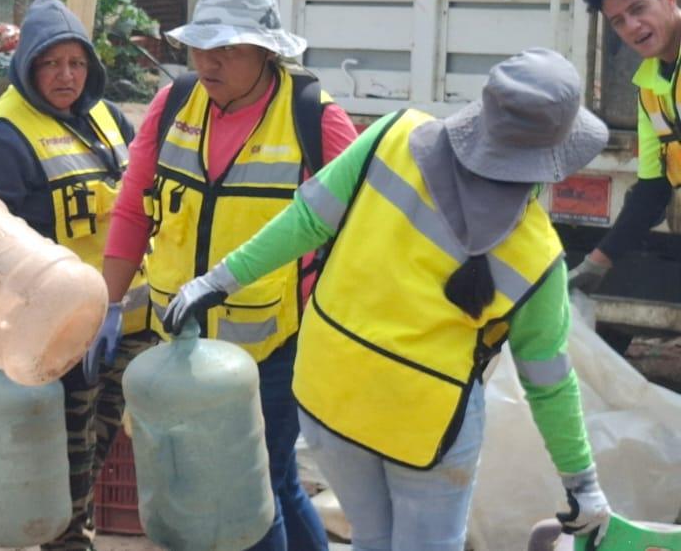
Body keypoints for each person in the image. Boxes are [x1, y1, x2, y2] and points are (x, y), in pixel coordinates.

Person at [167, 49, 613, 549]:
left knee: (372, 538)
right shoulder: (537, 256)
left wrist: (216, 281)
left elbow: (307, 221)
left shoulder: (392, 136)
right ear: (551, 158)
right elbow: (548, 383)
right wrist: (582, 483)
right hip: (425, 429)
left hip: (328, 392)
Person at [102, 0, 353, 551]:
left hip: (271, 349)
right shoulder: (174, 105)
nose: (209, 64)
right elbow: (135, 207)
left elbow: (358, 231)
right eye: (201, 48)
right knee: (266, 484)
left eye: (228, 51)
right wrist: (107, 303)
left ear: (266, 52)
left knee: (248, 492)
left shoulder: (314, 117)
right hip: (182, 344)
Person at [0, 0, 143, 551]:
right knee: (66, 474)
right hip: (57, 344)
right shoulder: (1, 140)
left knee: (90, 460)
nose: (67, 76)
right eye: (51, 63)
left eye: (77, 63)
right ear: (27, 66)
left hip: (120, 328)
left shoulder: (108, 119)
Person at [571, 0, 677, 294]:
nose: (632, 27)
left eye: (638, 9)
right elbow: (652, 190)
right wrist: (596, 263)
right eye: (618, 21)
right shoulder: (650, 88)